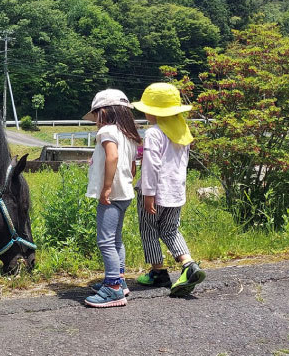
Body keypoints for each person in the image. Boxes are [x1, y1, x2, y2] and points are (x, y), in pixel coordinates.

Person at [132, 82, 206, 297]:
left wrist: (148, 194)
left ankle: (158, 273)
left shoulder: (154, 133)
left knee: (149, 231)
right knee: (170, 230)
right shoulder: (183, 133)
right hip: (176, 192)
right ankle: (189, 265)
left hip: (154, 193)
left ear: (154, 112)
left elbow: (152, 166)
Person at [82, 89, 141, 308]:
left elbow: (112, 157)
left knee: (105, 241)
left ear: (103, 112)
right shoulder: (128, 134)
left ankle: (113, 290)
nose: (95, 120)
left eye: (96, 114)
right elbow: (132, 165)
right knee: (116, 240)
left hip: (112, 195)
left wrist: (106, 187)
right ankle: (119, 280)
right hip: (124, 193)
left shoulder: (107, 131)